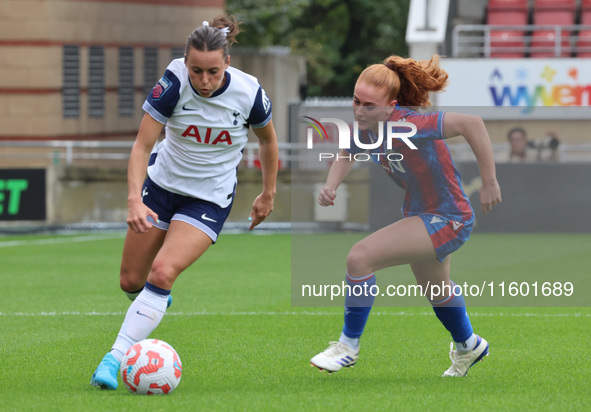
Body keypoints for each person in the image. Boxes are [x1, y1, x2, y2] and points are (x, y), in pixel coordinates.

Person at [91, 14, 278, 390]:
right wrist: (134, 199)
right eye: (196, 71)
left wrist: (267, 193)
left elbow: (268, 142)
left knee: (161, 273)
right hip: (161, 188)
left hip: (208, 197)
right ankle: (153, 300)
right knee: (131, 281)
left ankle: (114, 358)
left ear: (227, 62)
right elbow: (142, 145)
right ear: (186, 63)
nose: (204, 81)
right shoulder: (173, 83)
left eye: (212, 71)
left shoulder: (250, 92)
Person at [310, 55, 502, 377]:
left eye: (369, 105)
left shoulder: (410, 123)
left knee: (359, 257)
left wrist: (490, 181)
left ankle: (347, 346)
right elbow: (346, 151)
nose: (359, 111)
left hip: (448, 216)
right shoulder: (367, 127)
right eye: (356, 101)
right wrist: (331, 186)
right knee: (437, 290)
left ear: (391, 106)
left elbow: (473, 124)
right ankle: (469, 345)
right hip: (424, 213)